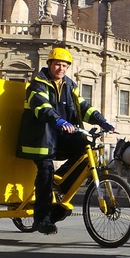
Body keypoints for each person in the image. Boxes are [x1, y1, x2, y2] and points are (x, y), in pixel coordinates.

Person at [17, 47, 114, 235]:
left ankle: (59, 186)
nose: (60, 68)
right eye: (57, 64)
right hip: (40, 138)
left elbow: (83, 106)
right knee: (46, 170)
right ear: (50, 64)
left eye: (64, 65)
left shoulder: (69, 85)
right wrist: (59, 120)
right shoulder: (38, 84)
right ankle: (42, 219)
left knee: (85, 151)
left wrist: (101, 120)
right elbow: (42, 107)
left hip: (61, 136)